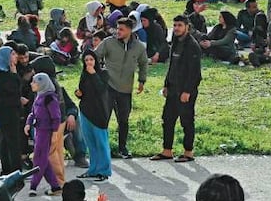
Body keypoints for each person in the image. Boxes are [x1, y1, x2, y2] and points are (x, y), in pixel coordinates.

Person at [96, 17, 149, 159]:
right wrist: (98, 74)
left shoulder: (139, 47)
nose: (118, 31)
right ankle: (102, 148)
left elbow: (144, 63)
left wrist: (142, 80)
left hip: (126, 89)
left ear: (130, 30)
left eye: (121, 29)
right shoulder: (108, 42)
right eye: (117, 28)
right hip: (108, 86)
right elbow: (94, 56)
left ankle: (122, 148)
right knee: (104, 119)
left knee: (123, 120)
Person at [151, 15, 201, 163]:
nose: (177, 28)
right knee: (167, 119)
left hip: (185, 91)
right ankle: (167, 151)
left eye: (180, 25)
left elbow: (195, 73)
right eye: (175, 25)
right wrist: (166, 85)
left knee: (186, 121)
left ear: (187, 26)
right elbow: (172, 66)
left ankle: (188, 152)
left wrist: (187, 91)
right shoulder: (176, 42)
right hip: (172, 89)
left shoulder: (192, 46)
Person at [75, 49, 112, 181]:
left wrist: (94, 74)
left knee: (101, 143)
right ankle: (93, 169)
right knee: (90, 143)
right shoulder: (84, 75)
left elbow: (102, 90)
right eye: (86, 60)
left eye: (91, 60)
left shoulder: (103, 73)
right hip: (86, 112)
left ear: (96, 61)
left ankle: (104, 171)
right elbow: (83, 92)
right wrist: (78, 93)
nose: (89, 63)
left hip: (99, 113)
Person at [25, 72, 64, 196]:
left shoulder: (50, 98)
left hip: (46, 132)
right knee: (43, 160)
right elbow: (33, 112)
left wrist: (54, 133)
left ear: (42, 83)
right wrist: (28, 123)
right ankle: (55, 186)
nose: (32, 84)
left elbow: (56, 117)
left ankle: (33, 185)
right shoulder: (39, 96)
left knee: (38, 158)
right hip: (38, 131)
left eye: (35, 82)